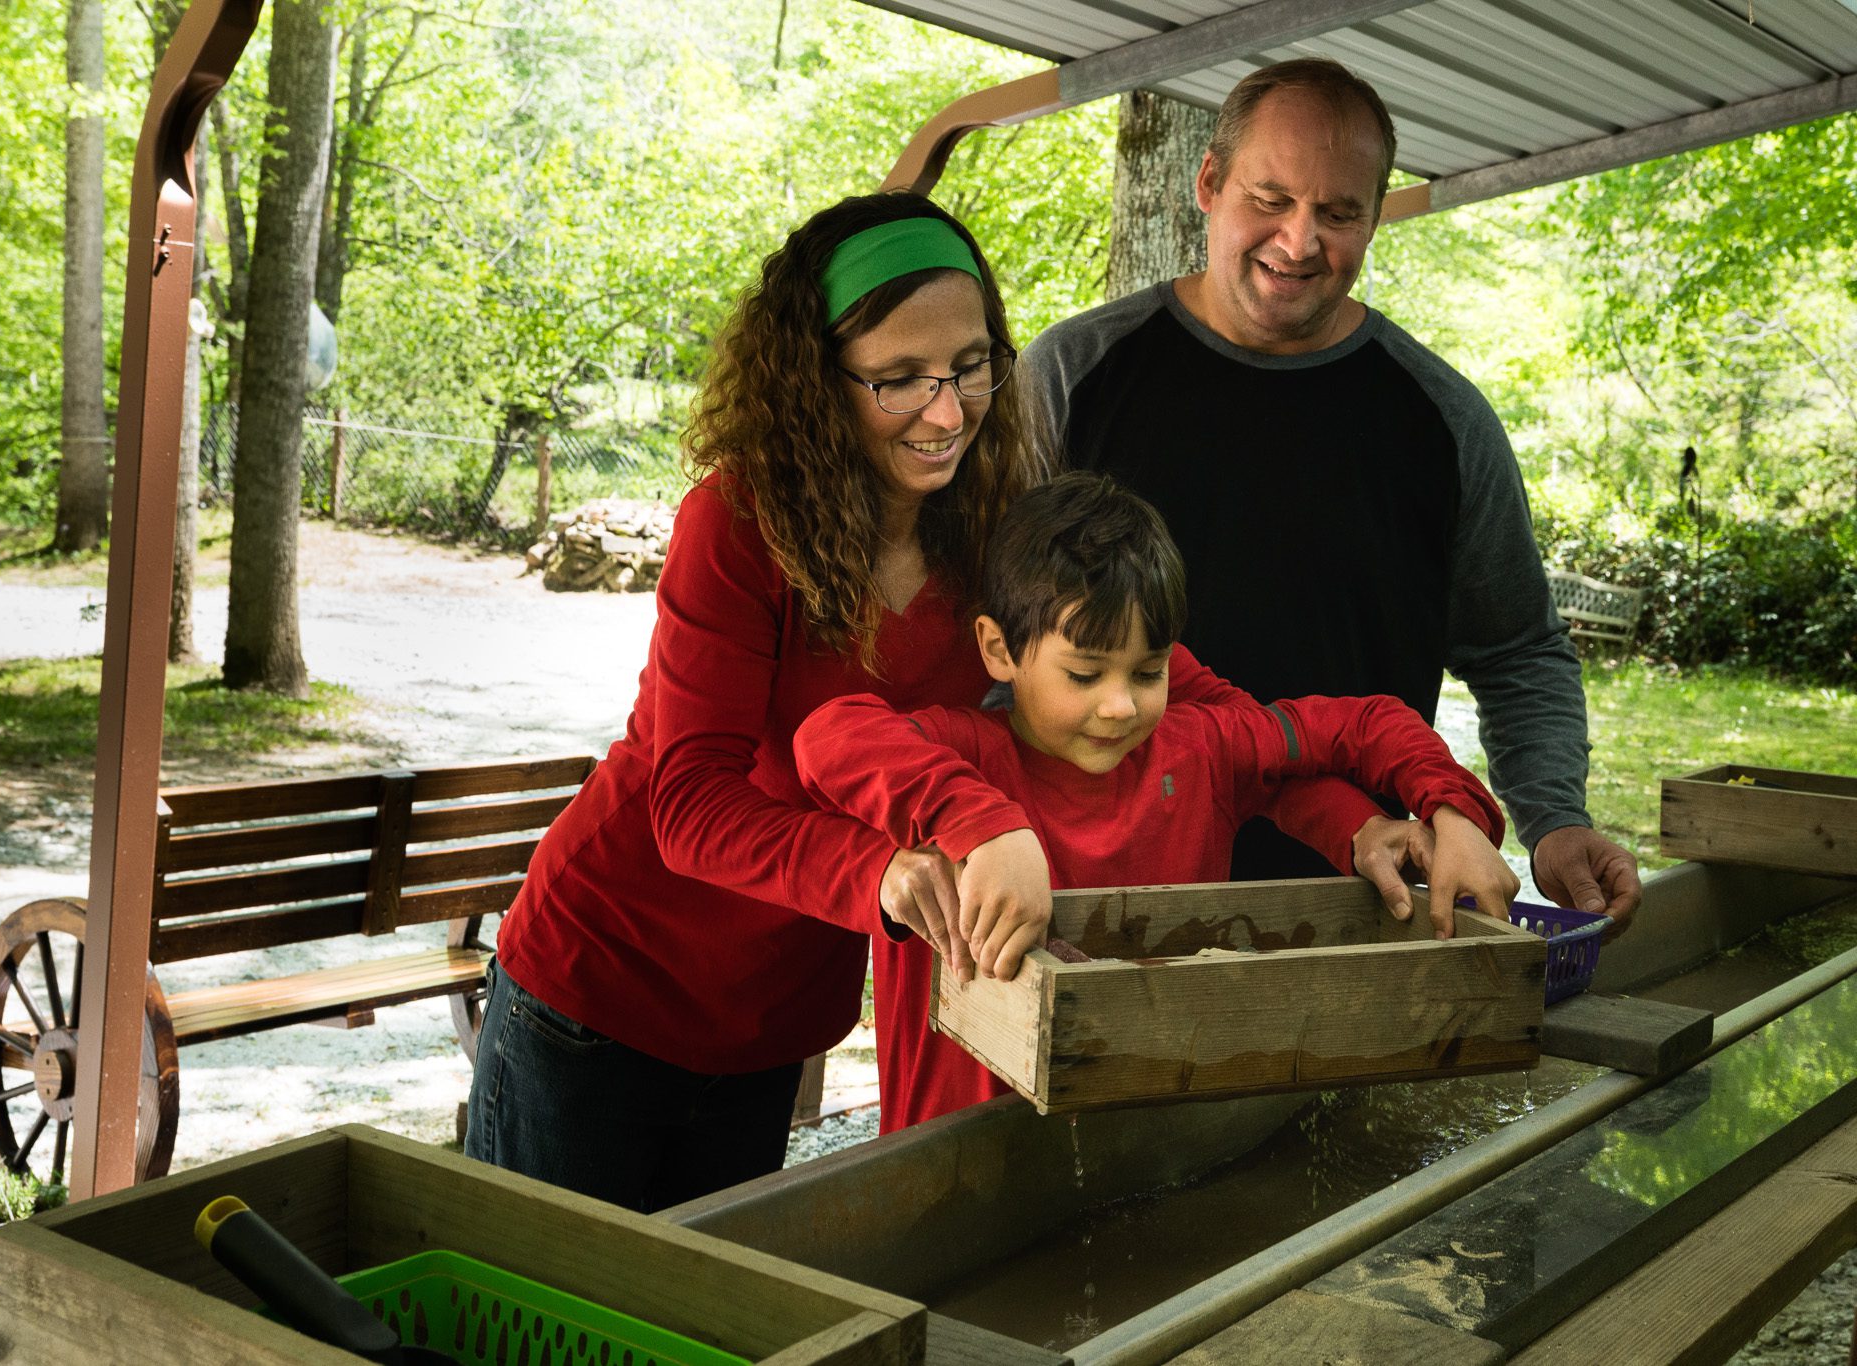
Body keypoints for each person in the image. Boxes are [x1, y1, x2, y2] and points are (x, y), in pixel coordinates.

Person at [463, 193, 1042, 1211]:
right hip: (599, 990)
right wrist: (886, 873)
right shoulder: (735, 524)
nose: (947, 412)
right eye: (897, 380)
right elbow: (686, 805)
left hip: (769, 1023)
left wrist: (1355, 794)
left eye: (969, 365)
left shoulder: (996, 535)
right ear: (816, 382)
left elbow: (1122, 686)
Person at [1021, 57, 1642, 929]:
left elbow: (1516, 651)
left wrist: (1555, 821)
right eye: (1270, 199)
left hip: (1363, 900)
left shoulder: (1443, 418)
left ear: (1376, 217)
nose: (1300, 241)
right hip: (1100, 905)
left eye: (1339, 212)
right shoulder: (1071, 376)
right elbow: (987, 642)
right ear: (1208, 181)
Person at [795, 472, 1517, 1130]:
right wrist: (980, 826)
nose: (1119, 706)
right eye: (1083, 674)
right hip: (950, 1157)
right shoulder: (960, 754)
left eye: (1148, 671)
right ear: (999, 650)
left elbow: (1370, 723)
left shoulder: (1202, 747)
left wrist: (1455, 813)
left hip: (1156, 1140)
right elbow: (830, 737)